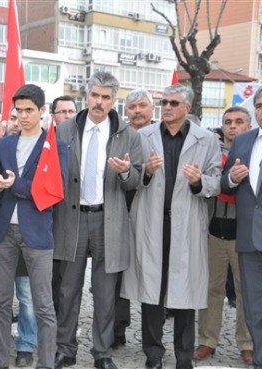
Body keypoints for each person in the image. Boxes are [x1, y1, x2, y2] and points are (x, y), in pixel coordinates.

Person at [122, 84, 221, 369]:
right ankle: (153, 353)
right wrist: (147, 173)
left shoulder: (206, 140)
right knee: (151, 290)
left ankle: (183, 355)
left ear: (187, 108)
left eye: (174, 103)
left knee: (184, 291)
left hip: (187, 223)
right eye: (164, 102)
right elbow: (130, 177)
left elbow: (216, 179)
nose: (167, 107)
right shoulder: (143, 136)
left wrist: (198, 182)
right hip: (151, 221)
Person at [52, 71, 143, 369]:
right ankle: (65, 349)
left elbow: (137, 181)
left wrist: (126, 172)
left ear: (113, 101)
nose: (99, 102)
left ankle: (102, 353)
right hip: (72, 219)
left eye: (106, 97)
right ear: (86, 96)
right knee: (68, 290)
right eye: (95, 95)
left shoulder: (128, 135)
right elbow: (52, 174)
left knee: (105, 294)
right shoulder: (64, 130)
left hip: (109, 221)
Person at [0, 84, 68, 369]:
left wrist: (14, 185)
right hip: (3, 231)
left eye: (29, 110)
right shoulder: (4, 144)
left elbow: (52, 191)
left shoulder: (55, 146)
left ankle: (45, 363)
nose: (22, 116)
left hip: (36, 232)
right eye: (18, 111)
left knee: (43, 304)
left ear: (42, 111)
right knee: (0, 301)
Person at [0, 106, 39, 367]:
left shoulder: (39, 152)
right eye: (12, 118)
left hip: (28, 233)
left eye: (22, 116)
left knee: (26, 295)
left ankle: (26, 345)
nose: (17, 122)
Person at [194, 106, 253, 365]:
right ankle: (207, 340)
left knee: (246, 292)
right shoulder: (211, 151)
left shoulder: (256, 151)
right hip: (213, 231)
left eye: (239, 122)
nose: (233, 126)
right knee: (211, 290)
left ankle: (247, 343)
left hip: (245, 234)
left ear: (248, 126)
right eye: (228, 121)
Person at [221, 84, 262, 369]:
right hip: (251, 242)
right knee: (256, 311)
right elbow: (224, 182)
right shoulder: (243, 141)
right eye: (260, 105)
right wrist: (232, 178)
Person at [110, 88, 155, 349]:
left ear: (151, 108)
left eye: (142, 106)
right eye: (132, 107)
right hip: (121, 211)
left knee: (149, 272)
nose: (137, 111)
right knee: (117, 275)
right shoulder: (121, 136)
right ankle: (117, 328)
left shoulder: (160, 137)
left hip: (151, 214)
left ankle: (152, 337)